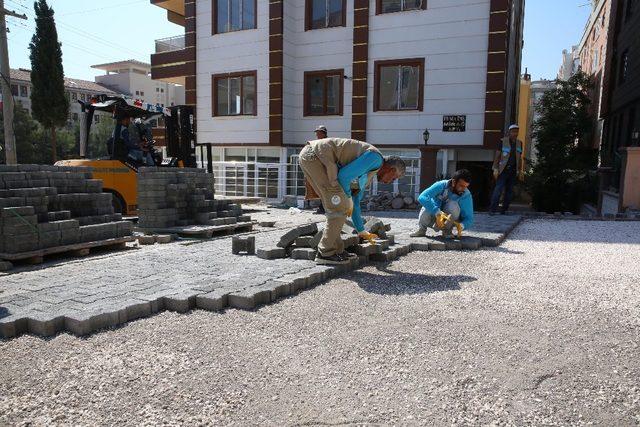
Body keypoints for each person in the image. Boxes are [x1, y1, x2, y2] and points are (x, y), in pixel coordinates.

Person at [299, 137, 406, 265]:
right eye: (393, 178)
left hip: (314, 158)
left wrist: (361, 231)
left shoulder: (370, 172)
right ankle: (325, 252)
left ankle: (336, 250)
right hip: (315, 156)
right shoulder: (375, 159)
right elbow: (343, 177)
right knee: (339, 206)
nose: (389, 182)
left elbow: (355, 201)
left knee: (337, 206)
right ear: (391, 170)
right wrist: (347, 199)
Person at [410, 169, 474, 238]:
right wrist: (437, 213)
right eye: (461, 186)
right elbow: (422, 197)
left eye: (466, 186)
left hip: (449, 222)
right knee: (427, 205)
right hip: (434, 217)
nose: (463, 189)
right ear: (454, 182)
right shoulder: (441, 185)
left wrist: (461, 226)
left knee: (453, 205)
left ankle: (447, 231)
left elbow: (469, 218)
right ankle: (421, 230)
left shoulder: (466, 194)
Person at [490, 124, 524, 215]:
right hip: (503, 170)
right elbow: (497, 155)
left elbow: (519, 157)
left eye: (517, 131)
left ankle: (504, 210)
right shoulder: (502, 141)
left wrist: (520, 170)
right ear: (509, 132)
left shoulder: (519, 143)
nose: (515, 133)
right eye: (513, 131)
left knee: (509, 192)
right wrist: (495, 168)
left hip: (513, 171)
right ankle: (492, 210)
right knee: (498, 190)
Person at [313, 125, 328, 214]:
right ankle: (322, 207)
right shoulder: (317, 142)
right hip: (319, 169)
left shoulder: (326, 143)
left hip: (326, 169)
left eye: (318, 133)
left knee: (325, 189)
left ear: (323, 133)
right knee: (321, 189)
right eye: (316, 133)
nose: (317, 135)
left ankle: (323, 208)